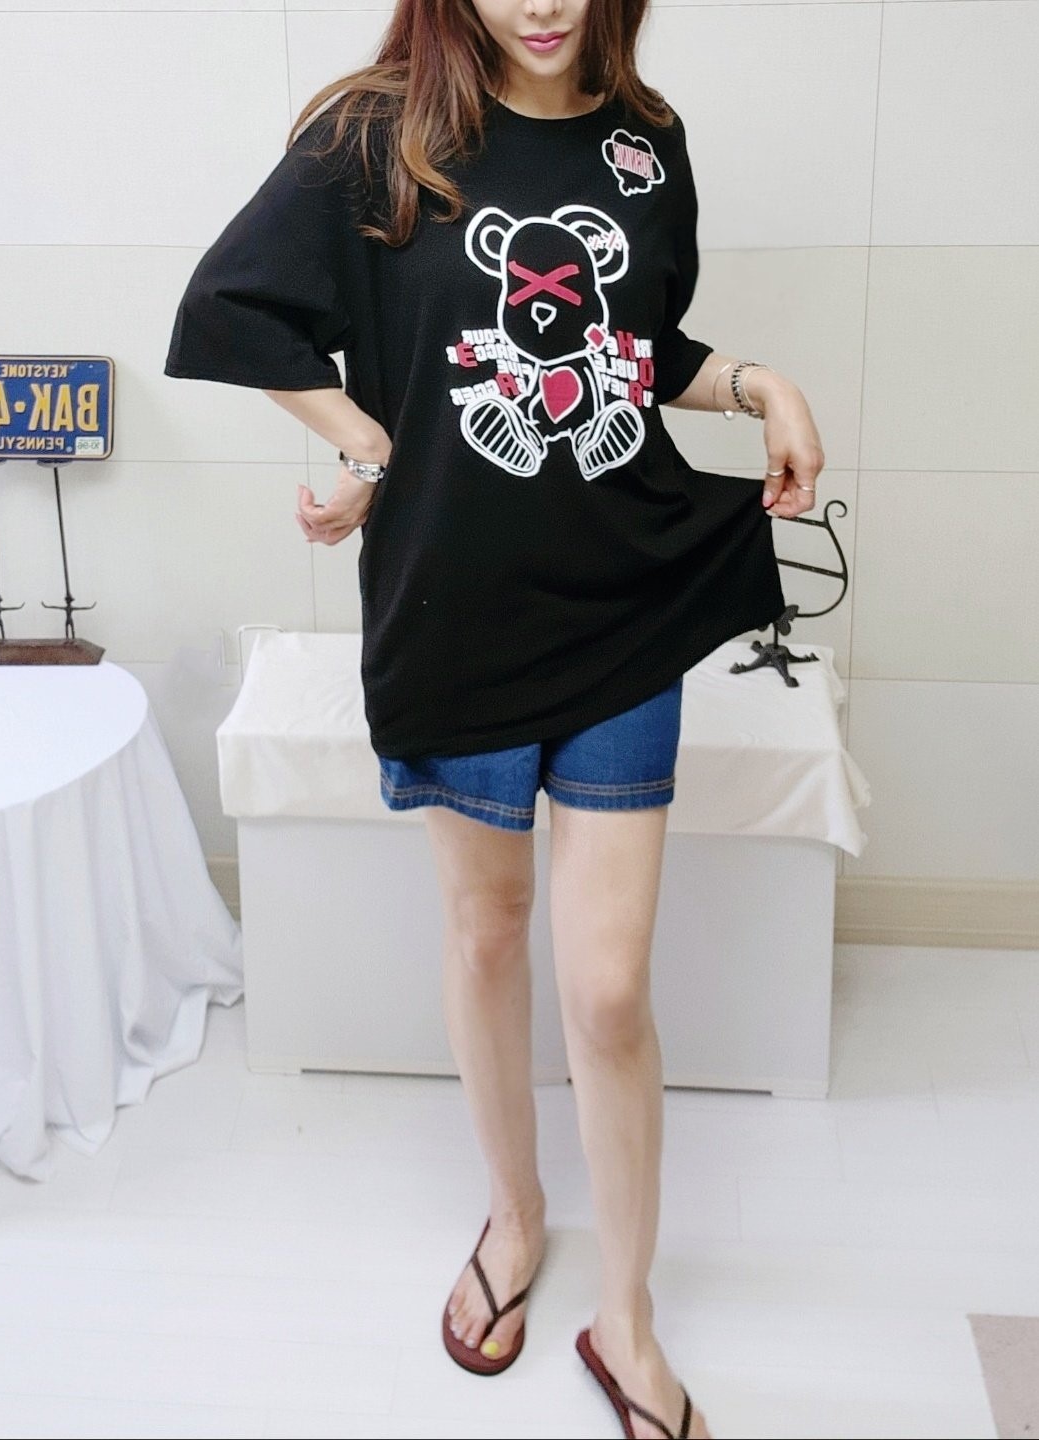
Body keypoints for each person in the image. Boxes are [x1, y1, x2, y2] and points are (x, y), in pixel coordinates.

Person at [164, 1, 826, 1434]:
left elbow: (636, 349)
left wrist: (759, 384)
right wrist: (366, 440)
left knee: (608, 988)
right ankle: (515, 1214)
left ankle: (626, 1316)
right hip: (452, 614)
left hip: (623, 607)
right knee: (484, 931)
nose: (541, 3)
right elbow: (230, 307)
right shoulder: (381, 133)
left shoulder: (646, 144)